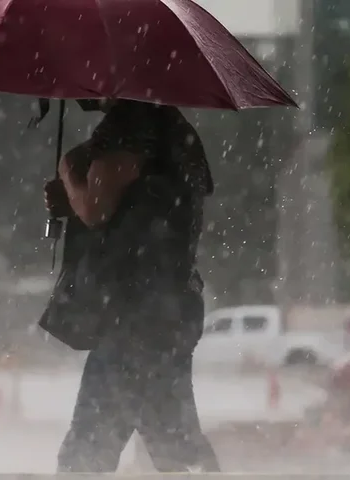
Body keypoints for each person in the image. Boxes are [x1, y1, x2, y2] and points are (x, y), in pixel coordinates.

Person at [43, 99, 220, 473]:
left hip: (134, 314)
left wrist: (68, 175)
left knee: (86, 453)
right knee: (175, 444)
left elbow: (96, 208)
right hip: (167, 308)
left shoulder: (131, 124)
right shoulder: (171, 126)